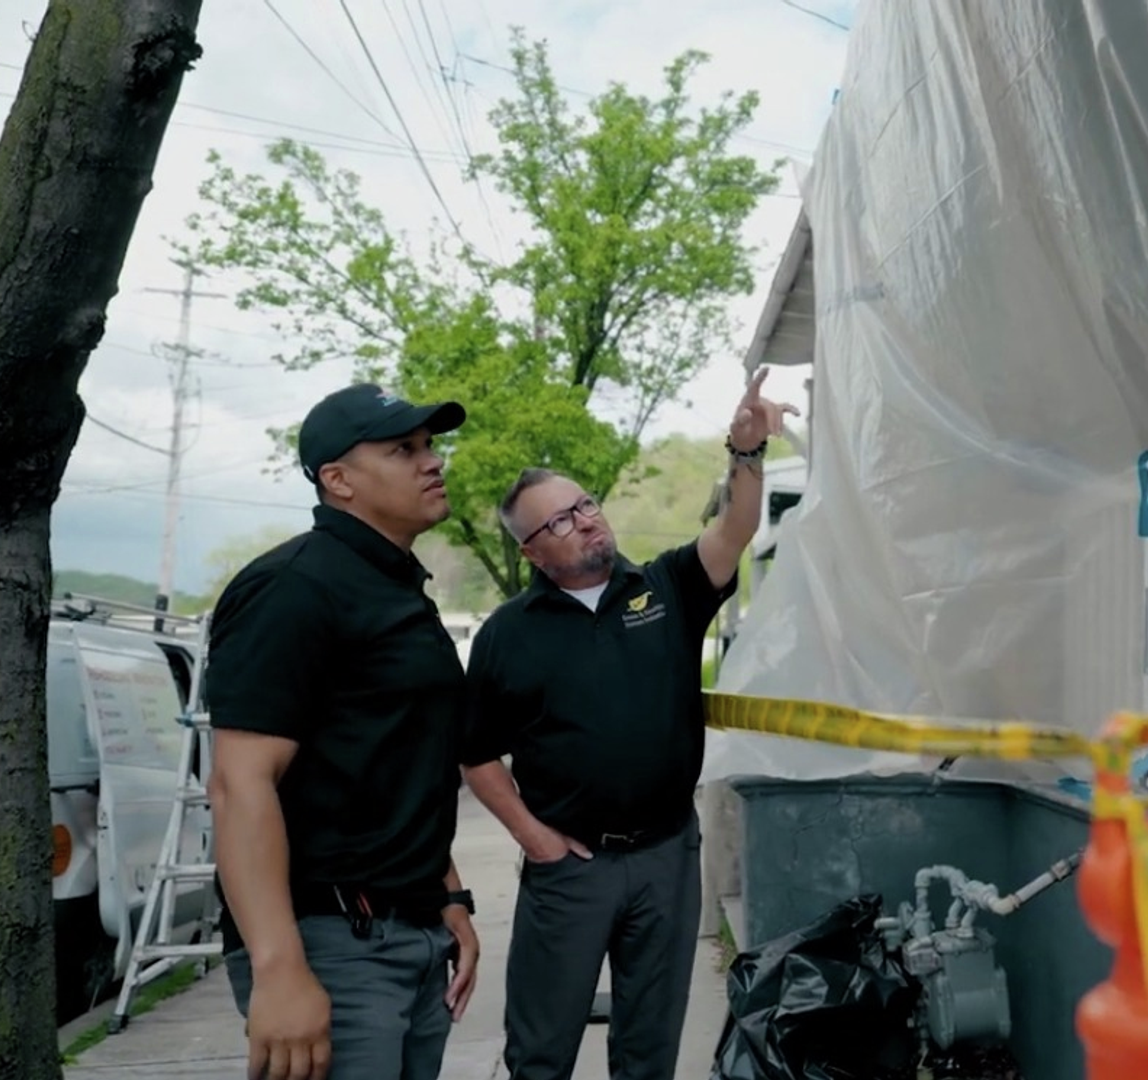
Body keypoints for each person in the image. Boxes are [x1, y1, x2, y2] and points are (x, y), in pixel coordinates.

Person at [461, 367, 798, 1080]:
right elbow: (476, 756)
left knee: (649, 1047)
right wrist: (537, 841)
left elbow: (735, 528)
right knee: (541, 1047)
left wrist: (745, 455)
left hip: (666, 859)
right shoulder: (507, 635)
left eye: (584, 504)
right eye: (559, 520)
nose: (584, 519)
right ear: (532, 553)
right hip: (571, 870)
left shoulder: (666, 587)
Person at [204, 383, 483, 1080]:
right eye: (403, 449)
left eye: (429, 446)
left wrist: (445, 895)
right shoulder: (294, 587)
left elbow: (400, 764)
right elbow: (240, 784)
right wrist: (279, 969)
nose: (431, 461)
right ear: (339, 480)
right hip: (332, 946)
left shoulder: (396, 592)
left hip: (413, 933)